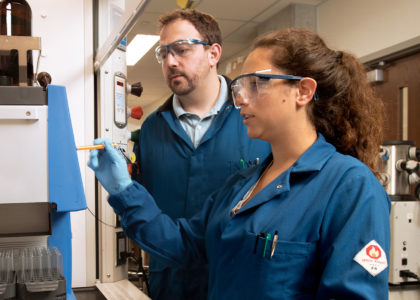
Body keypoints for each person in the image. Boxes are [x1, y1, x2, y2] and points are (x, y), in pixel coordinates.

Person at [89, 28, 390, 299]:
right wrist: (124, 189)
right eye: (240, 87)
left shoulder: (349, 187)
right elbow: (181, 243)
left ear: (303, 91)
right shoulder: (242, 185)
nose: (241, 99)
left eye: (256, 84)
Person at [131, 9, 271, 299]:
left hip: (236, 281)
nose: (170, 61)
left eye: (181, 49)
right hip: (169, 283)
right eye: (163, 53)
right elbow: (144, 206)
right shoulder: (151, 130)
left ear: (213, 53)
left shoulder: (256, 121)